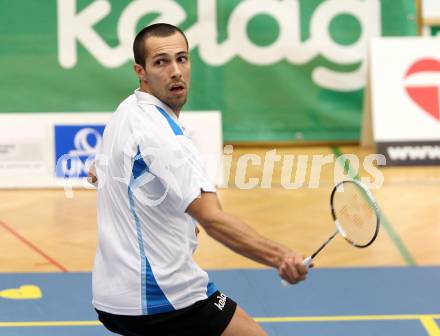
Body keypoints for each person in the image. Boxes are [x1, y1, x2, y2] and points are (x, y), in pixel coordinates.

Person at [90, 23, 310, 336]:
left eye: (182, 59)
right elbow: (212, 219)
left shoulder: (127, 110)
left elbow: (97, 170)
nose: (176, 71)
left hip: (112, 297)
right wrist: (281, 258)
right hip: (162, 296)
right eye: (161, 62)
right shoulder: (167, 138)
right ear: (141, 71)